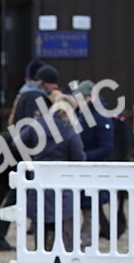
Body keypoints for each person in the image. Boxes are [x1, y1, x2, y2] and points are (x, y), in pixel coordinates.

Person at [0, 63, 60, 251]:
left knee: (15, 194)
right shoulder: (37, 98)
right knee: (18, 195)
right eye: (53, 84)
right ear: (44, 83)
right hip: (27, 154)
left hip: (15, 150)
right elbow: (37, 128)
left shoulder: (24, 94)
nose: (55, 88)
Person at [19, 88, 86, 250]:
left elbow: (17, 142)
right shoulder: (69, 130)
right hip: (62, 184)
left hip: (39, 179)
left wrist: (31, 156)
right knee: (62, 223)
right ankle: (59, 253)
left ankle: (40, 251)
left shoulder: (38, 123)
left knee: (40, 220)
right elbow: (79, 157)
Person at [74, 79, 115, 245]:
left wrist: (84, 156)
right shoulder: (81, 115)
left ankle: (87, 241)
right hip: (80, 167)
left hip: (92, 167)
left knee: (90, 209)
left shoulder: (100, 117)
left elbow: (106, 147)